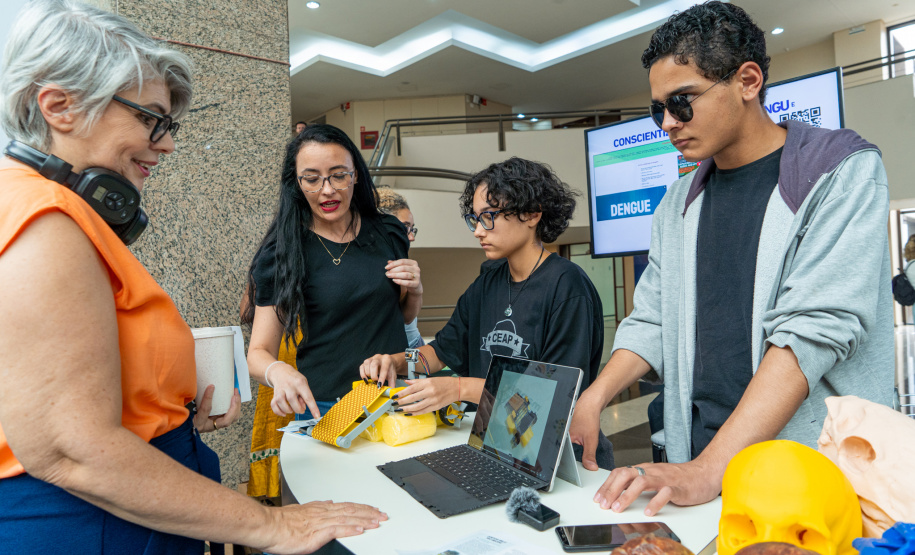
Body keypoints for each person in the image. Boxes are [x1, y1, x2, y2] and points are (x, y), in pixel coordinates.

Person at [0, 1, 385, 552]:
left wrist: (166, 416)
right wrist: (272, 525)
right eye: (149, 119)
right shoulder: (44, 221)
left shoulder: (58, 214)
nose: (167, 143)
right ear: (60, 106)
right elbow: (69, 449)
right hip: (89, 526)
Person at [569, 0, 893, 517]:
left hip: (807, 466)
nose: (668, 123)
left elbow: (812, 329)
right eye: (659, 109)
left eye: (683, 101)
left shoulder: (839, 171)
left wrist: (710, 468)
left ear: (747, 81)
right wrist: (594, 396)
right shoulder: (678, 202)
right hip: (700, 457)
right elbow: (652, 316)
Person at [361, 157, 614, 469]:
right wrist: (396, 362)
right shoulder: (486, 284)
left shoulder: (567, 286)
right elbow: (439, 353)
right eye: (475, 219)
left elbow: (549, 396)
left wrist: (458, 388)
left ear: (532, 214)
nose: (478, 231)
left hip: (558, 458)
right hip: (497, 447)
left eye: (490, 217)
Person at [244, 124, 423, 420]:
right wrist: (278, 371)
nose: (327, 190)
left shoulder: (389, 232)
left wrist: (415, 290)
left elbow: (400, 316)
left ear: (356, 175)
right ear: (296, 184)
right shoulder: (283, 251)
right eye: (312, 179)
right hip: (328, 406)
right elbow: (258, 352)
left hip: (393, 398)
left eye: (339, 176)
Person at [377, 186, 424, 348]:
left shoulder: (400, 262)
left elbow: (407, 318)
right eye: (405, 228)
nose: (411, 237)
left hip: (410, 347)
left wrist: (416, 291)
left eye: (412, 229)